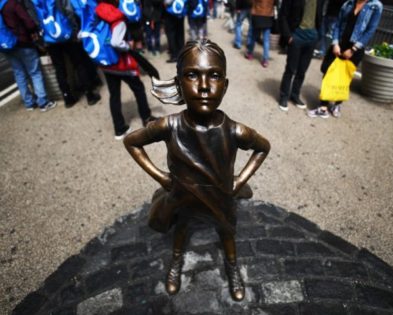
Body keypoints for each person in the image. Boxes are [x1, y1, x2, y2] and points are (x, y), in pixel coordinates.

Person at [123, 39, 270, 301]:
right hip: (182, 197)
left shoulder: (236, 131)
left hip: (221, 197)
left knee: (226, 231)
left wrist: (238, 182)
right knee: (181, 227)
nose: (203, 87)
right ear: (179, 83)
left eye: (214, 76)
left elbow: (263, 148)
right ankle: (176, 261)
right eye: (192, 75)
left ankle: (232, 266)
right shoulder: (169, 125)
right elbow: (132, 142)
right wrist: (164, 179)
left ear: (225, 86)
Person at [308, 0, 383, 118]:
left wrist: (353, 49)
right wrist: (335, 43)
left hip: (355, 48)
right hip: (339, 44)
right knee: (327, 71)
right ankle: (324, 107)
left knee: (344, 77)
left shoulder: (375, 6)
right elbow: (337, 24)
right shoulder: (348, 3)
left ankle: (336, 104)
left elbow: (370, 31)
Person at [95, 0, 156, 139]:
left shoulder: (97, 11)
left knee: (114, 95)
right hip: (121, 64)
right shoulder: (117, 17)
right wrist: (128, 46)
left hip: (106, 62)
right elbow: (116, 42)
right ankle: (147, 118)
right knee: (139, 88)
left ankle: (119, 129)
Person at [28, 0, 101, 108]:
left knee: (59, 68)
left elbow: (34, 19)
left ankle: (68, 98)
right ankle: (89, 95)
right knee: (78, 63)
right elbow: (68, 10)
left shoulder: (32, 2)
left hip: (49, 37)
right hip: (67, 33)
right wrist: (75, 29)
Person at [0, 0, 56, 111]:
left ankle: (29, 103)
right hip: (22, 42)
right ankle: (43, 102)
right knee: (34, 72)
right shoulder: (12, 3)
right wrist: (36, 30)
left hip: (6, 46)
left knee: (19, 73)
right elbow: (28, 22)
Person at [278, 0, 325, 111]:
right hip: (296, 36)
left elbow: (320, 15)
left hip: (312, 37)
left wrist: (317, 35)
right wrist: (288, 36)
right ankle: (283, 96)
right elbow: (282, 15)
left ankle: (295, 95)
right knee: (290, 69)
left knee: (302, 70)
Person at [245, 0, 275, 68]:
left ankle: (250, 54)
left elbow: (250, 1)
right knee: (266, 40)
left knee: (253, 37)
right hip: (268, 16)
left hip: (257, 15)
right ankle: (265, 60)